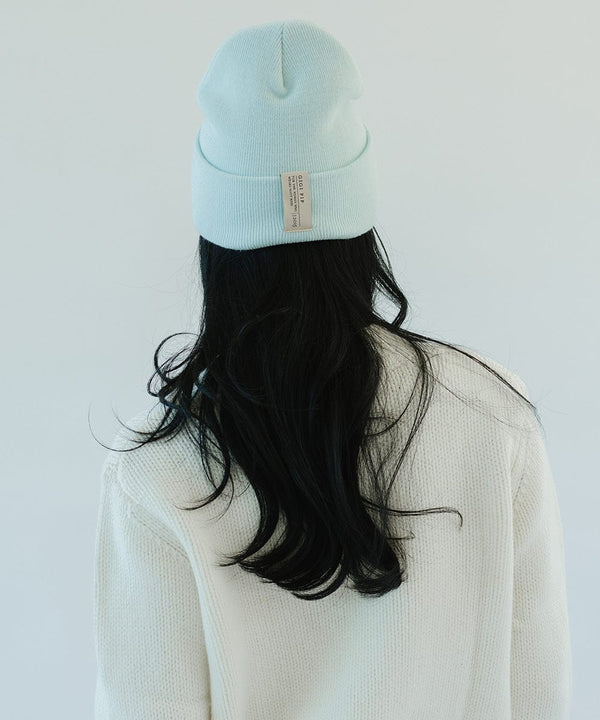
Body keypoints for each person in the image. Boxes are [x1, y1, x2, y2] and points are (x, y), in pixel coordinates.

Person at [92, 18, 572, 719]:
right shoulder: (493, 415)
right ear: (360, 219)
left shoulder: (156, 469)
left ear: (214, 236)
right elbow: (539, 693)